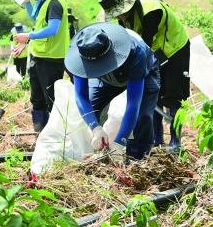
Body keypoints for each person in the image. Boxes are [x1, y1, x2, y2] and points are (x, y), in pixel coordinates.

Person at [97, 0, 190, 153]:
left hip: (175, 50)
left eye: (119, 14)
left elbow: (143, 44)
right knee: (153, 91)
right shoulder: (124, 18)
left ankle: (175, 142)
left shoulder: (151, 12)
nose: (117, 18)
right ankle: (157, 139)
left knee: (174, 95)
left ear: (127, 7)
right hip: (154, 52)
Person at [66, 23, 160, 162]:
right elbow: (81, 97)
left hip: (143, 74)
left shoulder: (136, 51)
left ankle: (139, 159)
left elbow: (133, 103)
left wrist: (119, 143)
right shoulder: (83, 52)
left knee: (143, 115)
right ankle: (98, 153)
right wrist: (96, 128)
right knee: (89, 109)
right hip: (106, 80)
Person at [13, 0, 69, 132]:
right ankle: (41, 136)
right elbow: (35, 18)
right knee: (37, 100)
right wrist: (28, 1)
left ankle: (57, 137)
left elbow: (53, 29)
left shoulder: (55, 3)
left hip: (52, 59)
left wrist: (28, 37)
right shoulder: (45, 1)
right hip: (39, 57)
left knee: (52, 100)